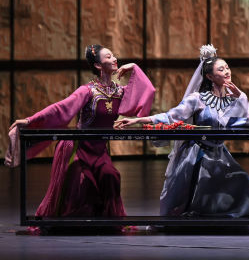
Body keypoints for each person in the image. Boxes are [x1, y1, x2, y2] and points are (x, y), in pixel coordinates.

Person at [5, 44, 156, 218]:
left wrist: (134, 67)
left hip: (99, 150)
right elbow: (60, 108)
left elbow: (148, 90)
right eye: (108, 57)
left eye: (114, 55)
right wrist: (30, 120)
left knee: (111, 177)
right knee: (83, 182)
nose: (115, 59)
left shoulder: (119, 92)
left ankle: (105, 221)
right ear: (98, 65)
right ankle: (73, 222)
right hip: (78, 148)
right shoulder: (88, 91)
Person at [117, 45, 249, 217]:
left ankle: (225, 219)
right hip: (198, 153)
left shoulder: (233, 100)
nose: (227, 72)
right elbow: (171, 116)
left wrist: (241, 97)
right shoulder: (198, 98)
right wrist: (137, 120)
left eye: (227, 67)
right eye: (221, 69)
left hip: (219, 153)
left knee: (241, 178)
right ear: (209, 76)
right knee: (200, 186)